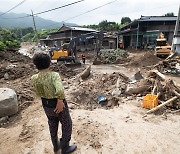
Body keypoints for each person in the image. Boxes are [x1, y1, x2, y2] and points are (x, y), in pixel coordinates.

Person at [31, 53, 77, 154]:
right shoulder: (54, 75)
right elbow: (60, 90)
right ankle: (64, 148)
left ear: (35, 64)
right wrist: (60, 101)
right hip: (58, 103)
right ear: (49, 63)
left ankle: (56, 146)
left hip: (46, 105)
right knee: (66, 124)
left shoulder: (34, 78)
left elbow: (38, 93)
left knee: (52, 124)